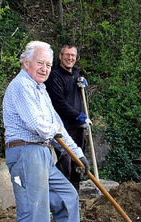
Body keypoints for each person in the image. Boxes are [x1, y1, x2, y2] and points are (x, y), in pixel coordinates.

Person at [3, 41, 94, 222]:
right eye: (40, 63)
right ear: (26, 62)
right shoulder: (21, 87)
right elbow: (40, 125)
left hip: (43, 151)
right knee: (34, 214)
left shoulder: (40, 89)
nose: (44, 69)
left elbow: (56, 126)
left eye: (48, 65)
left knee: (67, 196)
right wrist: (57, 136)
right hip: (25, 152)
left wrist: (77, 154)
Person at [44, 44, 90, 192]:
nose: (70, 58)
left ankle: (75, 195)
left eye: (73, 55)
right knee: (66, 163)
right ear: (60, 56)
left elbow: (78, 98)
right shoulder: (54, 76)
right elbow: (60, 103)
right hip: (63, 127)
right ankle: (62, 196)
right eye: (67, 55)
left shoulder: (76, 74)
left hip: (78, 127)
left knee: (78, 164)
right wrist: (78, 116)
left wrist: (83, 85)